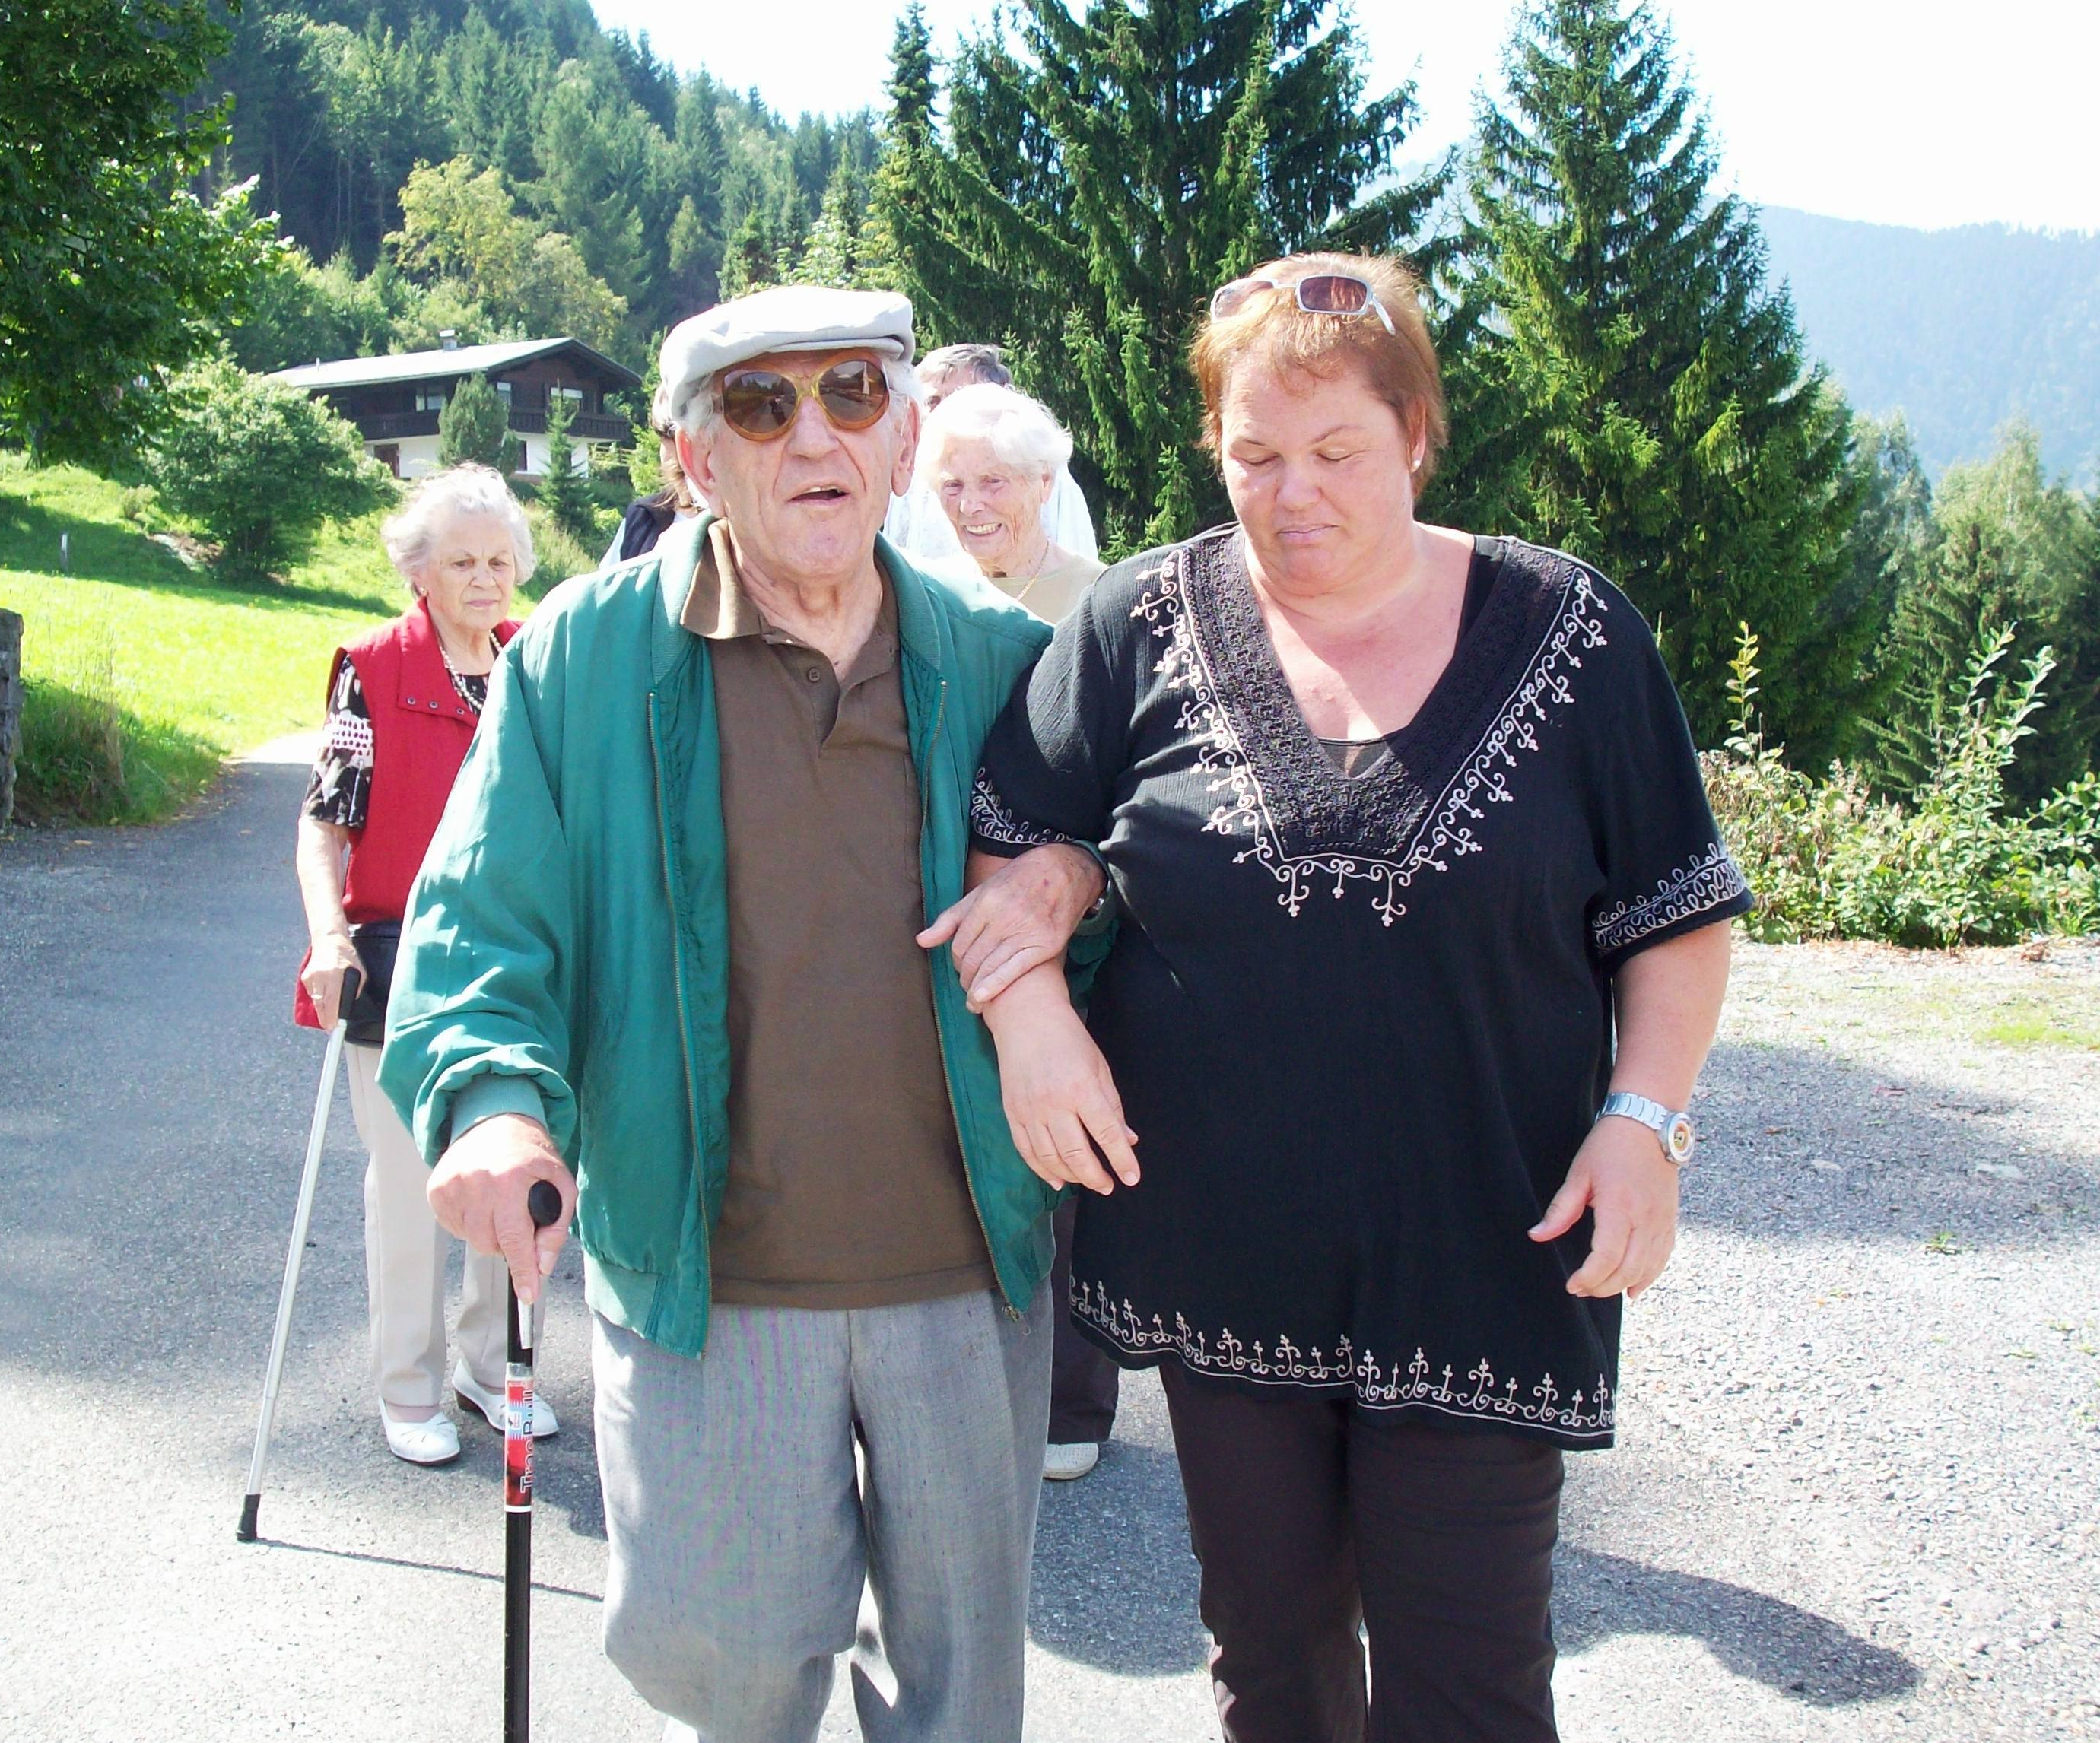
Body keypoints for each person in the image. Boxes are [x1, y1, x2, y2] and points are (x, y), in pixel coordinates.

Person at [942, 252, 1752, 1741]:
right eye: (1254, 454)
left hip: (1490, 1246)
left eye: (1336, 451)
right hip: (1224, 1255)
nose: (1292, 492)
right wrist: (1034, 1015)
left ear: (1417, 437)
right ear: (1213, 447)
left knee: (1470, 1691)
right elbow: (1014, 831)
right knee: (1273, 1671)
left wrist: (1645, 1119)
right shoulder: (1135, 621)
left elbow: (1675, 913)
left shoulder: (1571, 633)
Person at [378, 285, 1103, 1740]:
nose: (815, 435)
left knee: (962, 1700)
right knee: (734, 1677)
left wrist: (1077, 879)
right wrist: (495, 1102)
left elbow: (1119, 885)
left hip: (968, 1275)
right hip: (710, 1280)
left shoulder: (998, 658)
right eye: (765, 406)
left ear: (904, 440)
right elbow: (480, 924)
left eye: (852, 394)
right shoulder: (584, 658)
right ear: (694, 459)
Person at [291, 463, 556, 1464]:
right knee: (407, 1184)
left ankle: (491, 1369)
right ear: (420, 570)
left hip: (518, 961)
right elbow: (323, 826)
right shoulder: (373, 668)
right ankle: (407, 1387)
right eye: (460, 562)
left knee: (516, 1163)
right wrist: (327, 936)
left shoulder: (532, 663)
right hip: (399, 959)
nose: (484, 579)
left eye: (498, 561)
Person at [913, 379, 1116, 1482]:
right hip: (945, 915)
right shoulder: (919, 598)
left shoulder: (1101, 604)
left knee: (1067, 1150)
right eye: (950, 484)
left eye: (993, 481)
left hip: (1080, 927)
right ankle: (957, 1383)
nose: (972, 504)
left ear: (1044, 483)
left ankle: (1072, 1403)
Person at [885, 342, 1098, 568]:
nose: (946, 411)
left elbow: (1078, 567)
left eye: (962, 398)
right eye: (933, 401)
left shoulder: (1041, 471)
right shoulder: (909, 478)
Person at [601, 386, 703, 568]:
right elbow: (609, 583)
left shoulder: (741, 528)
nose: (682, 457)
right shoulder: (643, 517)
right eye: (666, 437)